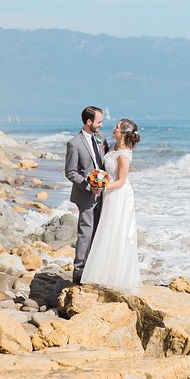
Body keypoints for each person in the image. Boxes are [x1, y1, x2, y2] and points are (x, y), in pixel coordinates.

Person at [79, 118, 141, 292]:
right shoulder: (113, 146)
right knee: (106, 229)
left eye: (117, 127)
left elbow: (121, 181)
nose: (113, 128)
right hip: (109, 193)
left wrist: (101, 187)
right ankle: (102, 272)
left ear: (123, 133)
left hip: (119, 195)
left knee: (116, 231)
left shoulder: (123, 155)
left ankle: (115, 276)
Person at [65, 106, 110, 283]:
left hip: (104, 195)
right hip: (85, 195)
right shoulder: (74, 144)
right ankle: (78, 273)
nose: (101, 124)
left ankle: (95, 270)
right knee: (86, 233)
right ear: (88, 121)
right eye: (99, 121)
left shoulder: (102, 139)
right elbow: (70, 172)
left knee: (100, 232)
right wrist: (88, 186)